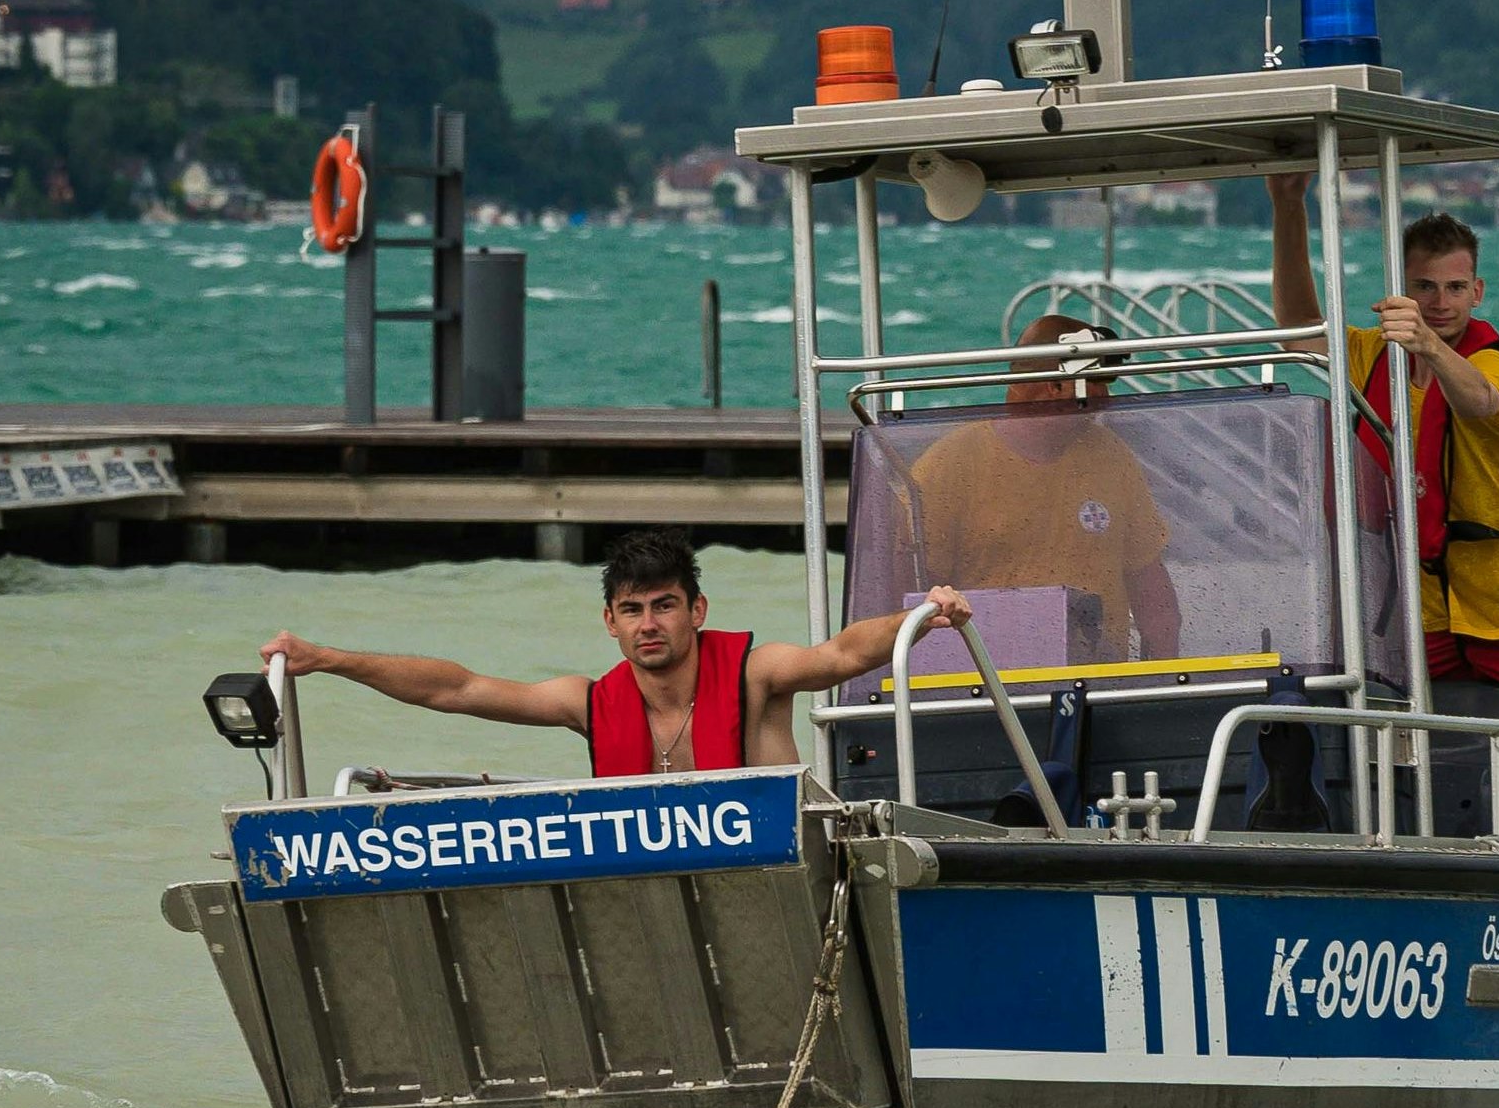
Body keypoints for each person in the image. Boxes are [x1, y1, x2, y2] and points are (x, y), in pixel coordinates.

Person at [1267, 172, 1499, 836]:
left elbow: (1481, 401)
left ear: (1476, 292)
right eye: (1425, 287)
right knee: (1361, 736)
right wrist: (1287, 205)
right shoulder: (1370, 356)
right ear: (1401, 289)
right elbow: (1296, 329)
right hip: (1424, 617)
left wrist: (1429, 346)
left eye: (1454, 288)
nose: (1441, 302)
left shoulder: (1492, 363)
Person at [265, 530, 970, 778]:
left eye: (664, 605)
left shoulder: (757, 674)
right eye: (632, 610)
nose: (649, 624)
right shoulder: (589, 704)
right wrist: (330, 659)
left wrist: (925, 617)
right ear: (610, 622)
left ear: (697, 610)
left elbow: (843, 654)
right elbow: (458, 689)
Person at [895, 313, 1182, 665]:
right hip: (987, 686)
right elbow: (913, 604)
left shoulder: (1111, 455)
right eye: (1098, 382)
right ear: (1058, 384)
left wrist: (1162, 681)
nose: (1107, 398)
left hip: (1101, 689)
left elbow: (1153, 595)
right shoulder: (948, 465)